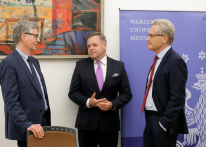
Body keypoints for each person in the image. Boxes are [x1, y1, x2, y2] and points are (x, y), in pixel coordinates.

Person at [68, 32, 132, 147]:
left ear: (104, 45)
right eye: (88, 46)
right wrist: (88, 102)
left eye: (94, 45)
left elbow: (127, 94)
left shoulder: (118, 66)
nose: (91, 48)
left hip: (109, 125)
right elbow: (73, 93)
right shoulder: (80, 66)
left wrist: (112, 104)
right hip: (86, 125)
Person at [0, 20, 51, 147]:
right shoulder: (8, 64)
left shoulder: (34, 62)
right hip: (28, 128)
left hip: (43, 124)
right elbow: (11, 101)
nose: (38, 40)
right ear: (24, 36)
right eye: (36, 36)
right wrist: (28, 124)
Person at [141, 19, 188, 147]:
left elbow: (177, 98)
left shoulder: (175, 61)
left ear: (164, 38)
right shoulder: (158, 59)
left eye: (151, 35)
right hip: (150, 121)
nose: (147, 39)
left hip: (163, 123)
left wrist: (164, 123)